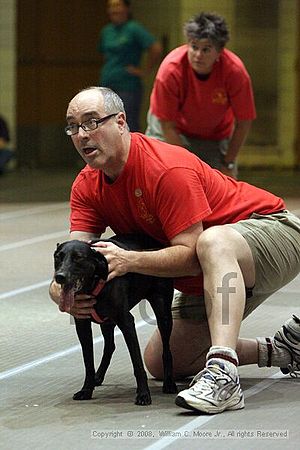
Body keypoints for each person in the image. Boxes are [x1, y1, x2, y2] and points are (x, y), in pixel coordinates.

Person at [49, 86, 300, 414]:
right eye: (73, 126)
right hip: (213, 270)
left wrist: (130, 260)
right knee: (163, 361)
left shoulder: (165, 169)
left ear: (121, 122)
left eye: (92, 122)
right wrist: (60, 290)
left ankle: (224, 374)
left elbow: (190, 255)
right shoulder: (86, 186)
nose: (82, 134)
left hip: (272, 231)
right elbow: (76, 253)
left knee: (212, 241)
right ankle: (283, 349)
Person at [146, 12, 256, 178]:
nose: (198, 55)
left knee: (222, 183)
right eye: (194, 47)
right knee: (164, 174)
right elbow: (167, 125)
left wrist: (229, 162)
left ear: (219, 52)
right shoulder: (170, 70)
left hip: (215, 134)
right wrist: (186, 168)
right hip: (171, 128)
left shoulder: (235, 72)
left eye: (206, 49)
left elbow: (244, 123)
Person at [97, 0, 162, 131]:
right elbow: (105, 55)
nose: (114, 10)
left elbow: (156, 48)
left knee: (127, 123)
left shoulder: (133, 28)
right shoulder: (106, 31)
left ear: (127, 8)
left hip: (128, 86)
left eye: (117, 6)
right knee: (106, 124)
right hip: (107, 84)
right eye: (111, 7)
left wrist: (145, 70)